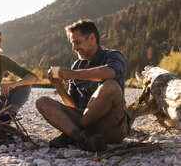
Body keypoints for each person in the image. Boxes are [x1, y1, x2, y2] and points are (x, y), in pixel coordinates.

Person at [36, 19, 129, 152]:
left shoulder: (113, 56)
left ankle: (73, 133)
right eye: (72, 44)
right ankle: (79, 137)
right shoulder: (77, 65)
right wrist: (59, 87)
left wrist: (73, 74)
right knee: (42, 101)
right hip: (87, 127)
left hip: (111, 126)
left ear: (92, 38)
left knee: (110, 86)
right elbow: (72, 105)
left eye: (77, 42)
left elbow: (111, 72)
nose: (74, 48)